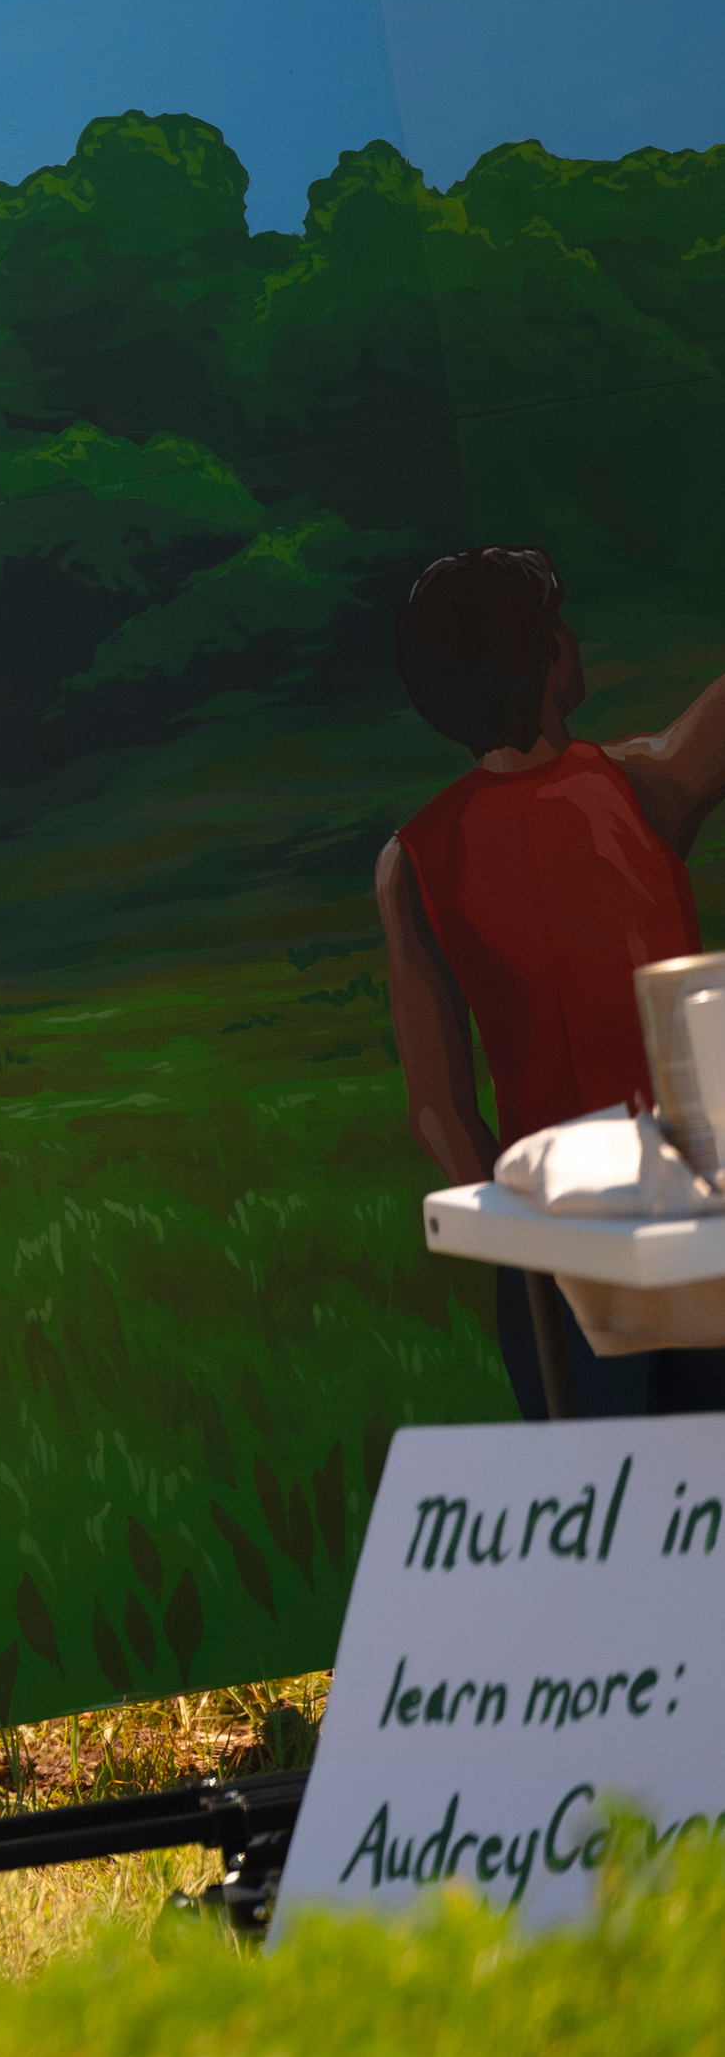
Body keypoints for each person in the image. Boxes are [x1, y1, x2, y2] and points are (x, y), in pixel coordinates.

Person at [378, 545, 725, 1419]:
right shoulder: (641, 786)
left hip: (552, 1236)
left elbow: (437, 1109)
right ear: (544, 658)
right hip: (692, 1213)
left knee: (612, 1507)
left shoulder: (415, 860)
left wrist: (525, 1238)